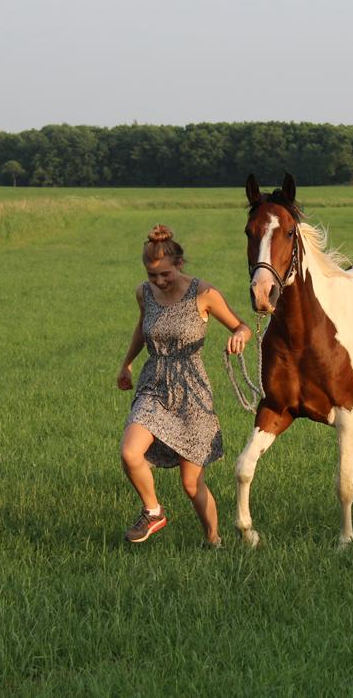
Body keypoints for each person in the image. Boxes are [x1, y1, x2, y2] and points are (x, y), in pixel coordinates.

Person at [117, 224, 252, 546]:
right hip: (154, 384)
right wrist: (127, 363)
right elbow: (142, 327)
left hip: (192, 391)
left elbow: (242, 326)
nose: (160, 282)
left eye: (165, 274)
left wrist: (239, 337)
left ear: (179, 264)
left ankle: (213, 539)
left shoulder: (204, 294)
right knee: (129, 452)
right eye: (153, 276)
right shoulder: (144, 293)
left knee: (191, 484)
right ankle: (153, 512)